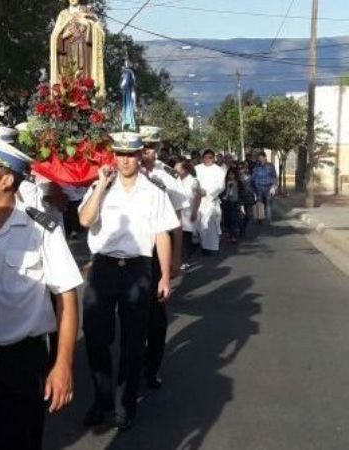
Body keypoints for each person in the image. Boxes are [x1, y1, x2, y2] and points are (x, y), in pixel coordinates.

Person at [0, 134, 82, 449]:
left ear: (6, 179)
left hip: (21, 364)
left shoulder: (41, 231)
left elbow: (66, 297)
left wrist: (63, 364)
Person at [78, 132, 179, 430]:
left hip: (138, 269)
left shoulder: (154, 191)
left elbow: (162, 233)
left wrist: (164, 276)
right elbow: (85, 220)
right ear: (114, 156)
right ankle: (102, 398)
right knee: (96, 337)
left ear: (140, 157)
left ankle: (126, 403)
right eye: (119, 154)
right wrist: (100, 187)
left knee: (134, 341)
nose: (125, 160)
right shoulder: (101, 188)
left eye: (130, 155)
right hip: (103, 269)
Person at [138, 126, 187, 390]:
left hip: (159, 249)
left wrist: (176, 258)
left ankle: (152, 367)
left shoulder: (166, 176)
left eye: (151, 147)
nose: (146, 152)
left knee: (156, 314)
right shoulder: (126, 173)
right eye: (142, 147)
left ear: (157, 148)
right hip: (134, 249)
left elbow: (176, 221)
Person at [195, 150, 225, 255]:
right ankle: (202, 246)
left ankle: (212, 247)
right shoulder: (197, 168)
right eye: (206, 157)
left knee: (211, 223)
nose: (208, 159)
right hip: (198, 200)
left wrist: (208, 193)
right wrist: (197, 191)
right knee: (199, 223)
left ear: (213, 158)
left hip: (211, 200)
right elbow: (193, 181)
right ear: (202, 158)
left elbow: (221, 186)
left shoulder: (218, 170)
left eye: (210, 157)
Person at [175, 159, 202, 265]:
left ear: (185, 170)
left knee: (186, 237)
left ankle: (185, 260)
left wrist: (195, 211)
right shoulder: (175, 180)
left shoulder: (193, 181)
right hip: (178, 213)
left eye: (177, 169)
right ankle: (181, 258)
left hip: (189, 212)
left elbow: (198, 197)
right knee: (179, 237)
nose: (175, 170)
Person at [251, 152, 277, 223]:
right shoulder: (256, 167)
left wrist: (274, 187)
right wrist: (253, 189)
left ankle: (269, 219)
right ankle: (260, 218)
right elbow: (253, 177)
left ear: (265, 157)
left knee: (268, 203)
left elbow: (274, 176)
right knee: (259, 203)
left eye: (261, 157)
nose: (260, 159)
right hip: (259, 188)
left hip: (268, 188)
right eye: (259, 158)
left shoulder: (270, 166)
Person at [222, 168, 241, 244]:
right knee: (227, 219)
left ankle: (233, 236)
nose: (231, 176)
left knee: (234, 219)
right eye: (229, 174)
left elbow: (241, 193)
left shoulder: (238, 183)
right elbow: (223, 192)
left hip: (235, 202)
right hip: (227, 203)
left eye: (233, 174)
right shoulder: (225, 183)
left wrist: (241, 203)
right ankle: (230, 233)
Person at [236, 161, 256, 236]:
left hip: (248, 198)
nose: (240, 169)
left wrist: (255, 196)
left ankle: (243, 227)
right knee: (238, 215)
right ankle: (241, 228)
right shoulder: (235, 177)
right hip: (238, 199)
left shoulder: (249, 177)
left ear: (245, 168)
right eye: (239, 168)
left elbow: (253, 186)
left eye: (242, 168)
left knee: (248, 215)